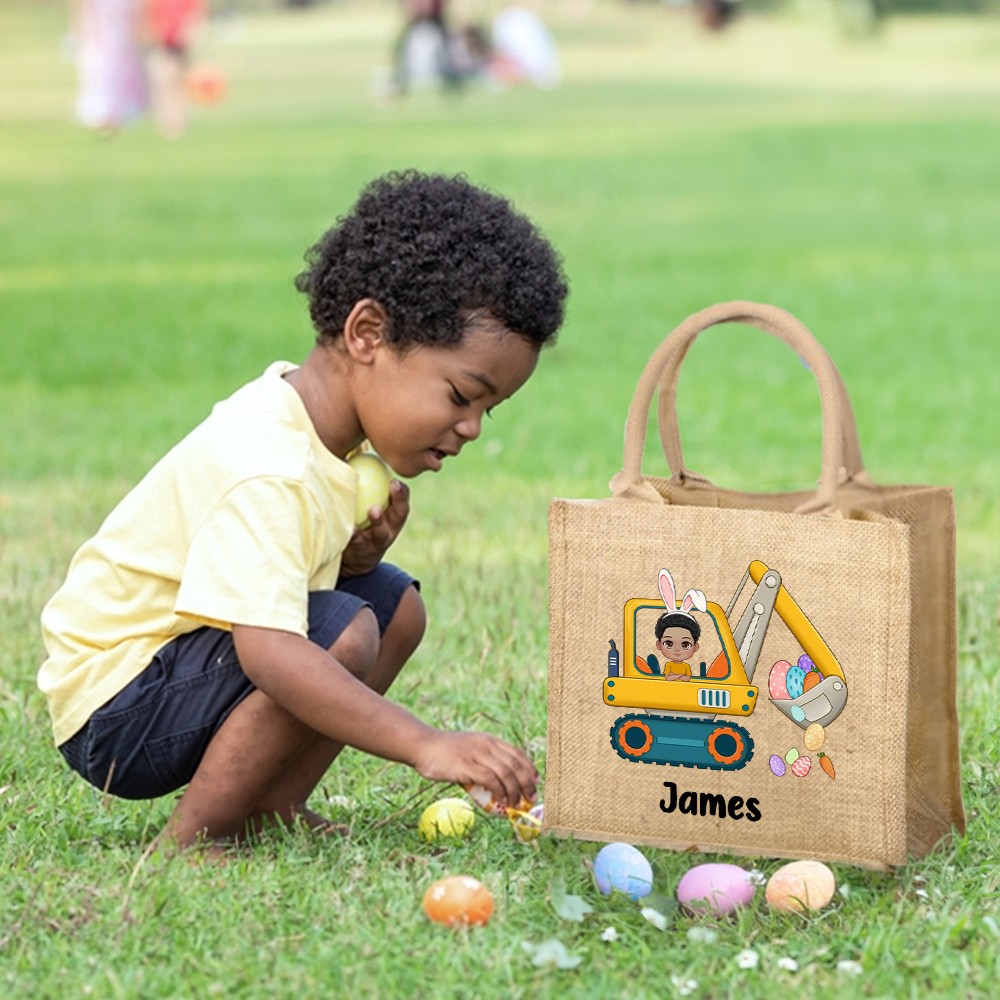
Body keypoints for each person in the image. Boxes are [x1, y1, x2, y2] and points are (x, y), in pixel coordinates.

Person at [38, 171, 568, 855]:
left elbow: (278, 580)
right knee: (340, 632)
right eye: (462, 395)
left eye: (486, 410)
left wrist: (354, 562)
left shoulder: (324, 439)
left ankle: (270, 805)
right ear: (367, 333)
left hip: (178, 665)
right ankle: (196, 839)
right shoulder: (271, 462)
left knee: (392, 604)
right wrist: (425, 744)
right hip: (117, 707)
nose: (471, 428)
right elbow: (272, 652)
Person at [71, 0, 148, 134]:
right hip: (99, 37)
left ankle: (117, 112)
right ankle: (103, 113)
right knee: (101, 74)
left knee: (121, 74)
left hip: (121, 38)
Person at [143, 0, 206, 138]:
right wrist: (157, 39)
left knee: (178, 82)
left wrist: (188, 33)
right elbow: (150, 17)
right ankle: (166, 120)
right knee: (163, 82)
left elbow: (195, 14)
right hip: (160, 44)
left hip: (180, 44)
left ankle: (178, 119)